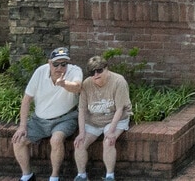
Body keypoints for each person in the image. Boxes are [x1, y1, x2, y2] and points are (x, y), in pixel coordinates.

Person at [12, 46, 82, 181]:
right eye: (56, 64)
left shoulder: (75, 70)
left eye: (64, 64)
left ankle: (54, 177)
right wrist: (22, 126)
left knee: (56, 140)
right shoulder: (40, 72)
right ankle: (27, 175)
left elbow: (77, 87)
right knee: (18, 140)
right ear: (49, 62)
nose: (59, 67)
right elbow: (26, 100)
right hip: (39, 119)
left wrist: (64, 84)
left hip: (65, 118)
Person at [72, 54, 132, 181]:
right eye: (92, 72)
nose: (96, 75)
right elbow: (82, 110)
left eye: (99, 70)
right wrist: (81, 133)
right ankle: (81, 175)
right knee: (79, 144)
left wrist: (111, 132)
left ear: (106, 68)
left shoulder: (118, 81)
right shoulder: (86, 84)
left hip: (116, 118)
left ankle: (110, 176)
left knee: (108, 141)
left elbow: (120, 109)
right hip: (93, 120)